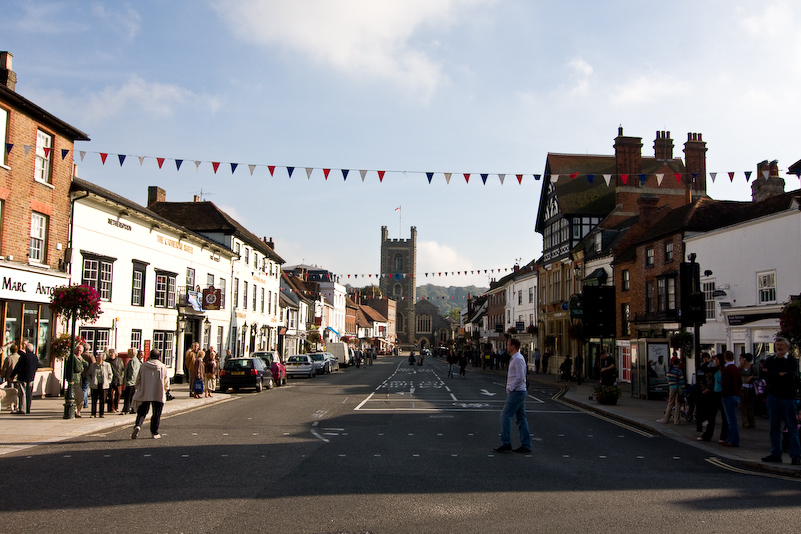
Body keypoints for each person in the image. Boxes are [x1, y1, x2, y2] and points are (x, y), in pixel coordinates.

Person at [760, 337, 800, 465]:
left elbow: (791, 377)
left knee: (792, 427)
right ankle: (776, 453)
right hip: (773, 396)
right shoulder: (770, 360)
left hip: (788, 397)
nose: (779, 347)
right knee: (774, 427)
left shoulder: (792, 361)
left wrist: (774, 374)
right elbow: (764, 374)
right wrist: (779, 374)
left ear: (787, 347)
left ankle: (796, 456)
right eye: (777, 345)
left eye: (782, 345)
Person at [493, 338, 531, 453]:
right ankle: (526, 445)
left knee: (505, 416)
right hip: (519, 391)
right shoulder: (515, 359)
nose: (507, 347)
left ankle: (506, 443)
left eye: (508, 345)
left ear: (513, 346)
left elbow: (520, 377)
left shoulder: (518, 359)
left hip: (516, 392)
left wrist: (511, 387)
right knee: (521, 419)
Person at [131, 348, 171, 440]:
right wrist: (166, 389)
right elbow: (166, 380)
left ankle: (138, 425)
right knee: (156, 413)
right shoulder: (162, 366)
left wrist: (137, 387)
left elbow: (138, 379)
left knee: (142, 411)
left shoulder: (144, 365)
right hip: (158, 392)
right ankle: (154, 432)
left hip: (145, 391)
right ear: (159, 356)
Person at [699, 353, 728, 444]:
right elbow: (703, 367)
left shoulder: (725, 369)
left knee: (724, 417)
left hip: (723, 395)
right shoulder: (715, 369)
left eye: (717, 360)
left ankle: (723, 437)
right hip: (715, 394)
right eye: (715, 360)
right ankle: (707, 435)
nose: (716, 362)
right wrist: (709, 361)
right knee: (711, 416)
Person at [719, 350, 742, 447]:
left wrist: (723, 394)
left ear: (725, 358)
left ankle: (733, 440)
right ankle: (730, 439)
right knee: (732, 419)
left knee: (731, 420)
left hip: (728, 396)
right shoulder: (736, 368)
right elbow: (739, 382)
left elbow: (726, 384)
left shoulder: (726, 369)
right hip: (736, 395)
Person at [10, 342, 38, 414]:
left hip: (23, 377)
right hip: (31, 377)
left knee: (22, 393)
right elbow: (36, 367)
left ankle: (22, 409)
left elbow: (18, 367)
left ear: (26, 349)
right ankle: (28, 408)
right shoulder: (35, 357)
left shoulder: (24, 357)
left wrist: (12, 375)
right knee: (29, 393)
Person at [659, 357, 686, 425]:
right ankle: (676, 421)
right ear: (677, 364)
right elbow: (682, 382)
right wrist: (684, 391)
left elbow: (668, 379)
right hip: (678, 387)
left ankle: (665, 419)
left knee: (670, 403)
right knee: (678, 404)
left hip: (671, 387)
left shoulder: (668, 370)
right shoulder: (679, 371)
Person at [88, 351, 113, 418]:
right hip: (95, 384)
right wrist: (91, 381)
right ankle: (93, 413)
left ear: (103, 359)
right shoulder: (93, 365)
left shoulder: (107, 365)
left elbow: (110, 374)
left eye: (100, 358)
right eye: (97, 358)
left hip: (104, 385)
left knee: (102, 400)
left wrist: (108, 381)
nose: (98, 359)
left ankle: (101, 413)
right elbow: (89, 375)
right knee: (94, 400)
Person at [739, 353, 757, 428]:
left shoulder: (753, 367)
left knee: (749, 405)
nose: (739, 360)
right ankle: (745, 421)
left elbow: (758, 375)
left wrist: (751, 377)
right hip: (743, 387)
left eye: (741, 359)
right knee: (743, 405)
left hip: (750, 388)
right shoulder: (741, 367)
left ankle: (751, 421)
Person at [1, 343, 22, 411]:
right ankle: (17, 404)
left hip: (10, 378)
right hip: (18, 377)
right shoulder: (20, 357)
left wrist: (2, 376)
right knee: (17, 392)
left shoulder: (9, 358)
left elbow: (5, 369)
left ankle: (11, 405)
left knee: (10, 392)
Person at [122, 349, 143, 414]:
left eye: (129, 353)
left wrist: (130, 380)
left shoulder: (133, 361)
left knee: (128, 397)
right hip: (133, 382)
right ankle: (132, 409)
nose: (128, 354)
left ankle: (126, 409)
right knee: (132, 397)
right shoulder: (136, 360)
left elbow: (133, 372)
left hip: (131, 382)